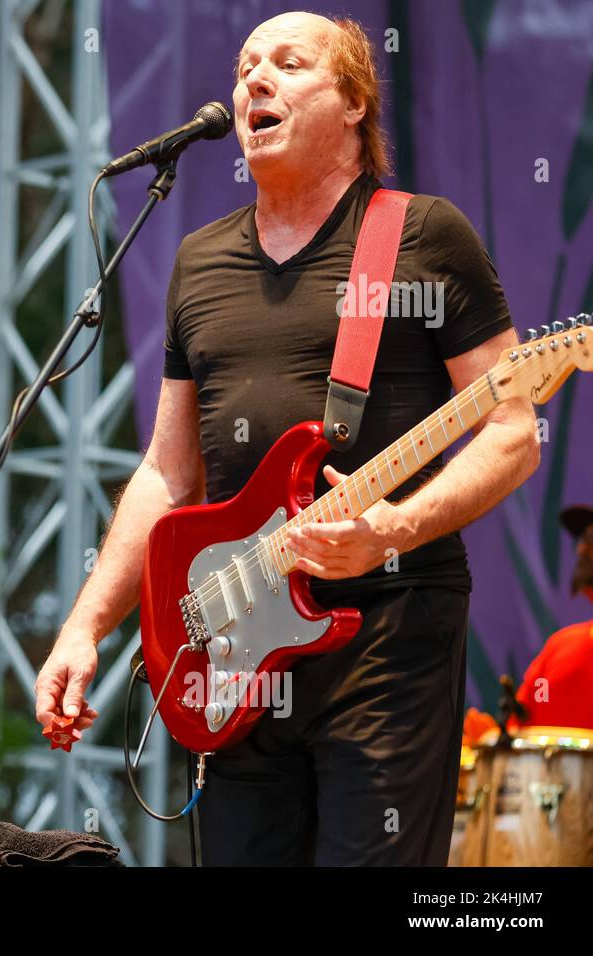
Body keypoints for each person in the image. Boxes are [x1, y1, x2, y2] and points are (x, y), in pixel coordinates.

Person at [34, 11, 540, 865]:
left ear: (352, 103)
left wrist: (390, 529)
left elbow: (513, 429)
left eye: (288, 63)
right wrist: (86, 626)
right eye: (244, 67)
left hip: (388, 629)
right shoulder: (199, 261)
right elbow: (168, 470)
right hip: (238, 645)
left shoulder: (420, 235)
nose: (253, 81)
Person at [507, 503, 593, 733]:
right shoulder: (559, 647)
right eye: (583, 539)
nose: (582, 549)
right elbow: (518, 732)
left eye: (591, 539)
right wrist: (492, 738)